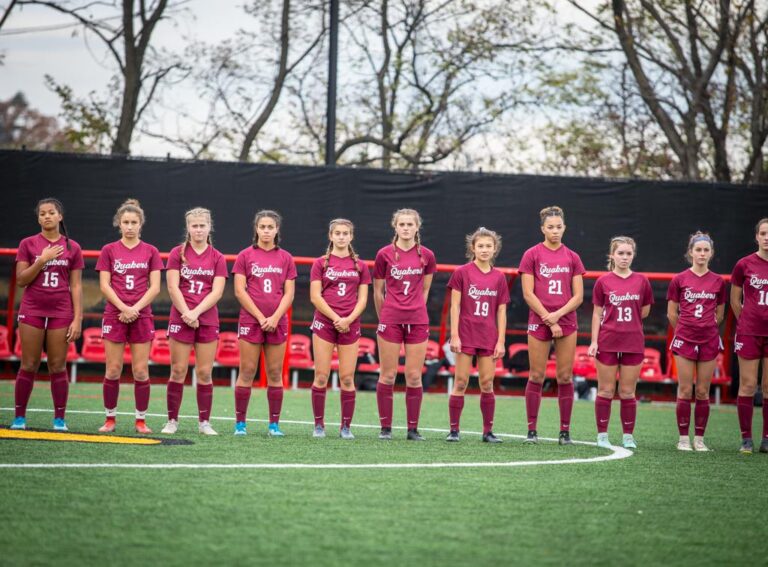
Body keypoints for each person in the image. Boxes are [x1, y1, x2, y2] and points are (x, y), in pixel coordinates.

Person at [11, 198, 84, 432]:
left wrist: (77, 318)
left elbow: (77, 286)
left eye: (51, 212)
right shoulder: (28, 244)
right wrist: (42, 260)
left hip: (61, 312)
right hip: (32, 310)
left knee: (57, 365)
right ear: (38, 218)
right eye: (42, 214)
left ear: (60, 216)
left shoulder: (72, 247)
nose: (46, 217)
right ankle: (20, 417)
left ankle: (59, 420)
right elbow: (21, 280)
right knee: (29, 364)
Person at [519, 206, 585, 445]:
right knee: (536, 375)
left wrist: (557, 316)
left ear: (564, 228)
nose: (555, 231)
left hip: (566, 321)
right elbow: (528, 293)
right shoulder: (532, 254)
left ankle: (565, 432)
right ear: (542, 229)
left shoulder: (573, 257)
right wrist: (548, 316)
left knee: (565, 376)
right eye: (550, 227)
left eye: (558, 227)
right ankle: (532, 431)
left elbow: (578, 297)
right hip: (539, 320)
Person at [96, 199, 163, 433]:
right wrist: (123, 308)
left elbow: (155, 287)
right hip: (115, 314)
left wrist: (134, 309)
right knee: (113, 369)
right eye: (126, 222)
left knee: (141, 370)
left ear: (141, 224)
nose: (130, 226)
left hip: (141, 316)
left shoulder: (151, 251)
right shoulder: (109, 250)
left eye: (134, 222)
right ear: (119, 224)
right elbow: (104, 285)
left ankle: (141, 420)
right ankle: (110, 419)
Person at [161, 207, 228, 436]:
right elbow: (172, 287)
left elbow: (217, 291)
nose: (198, 229)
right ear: (187, 227)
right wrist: (186, 313)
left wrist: (196, 313)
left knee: (204, 373)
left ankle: (204, 422)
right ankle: (172, 420)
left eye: (202, 225)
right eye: (194, 225)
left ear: (209, 227)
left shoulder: (217, 257)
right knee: (178, 370)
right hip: (180, 317)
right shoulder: (176, 253)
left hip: (206, 319)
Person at [373, 208, 436, 441]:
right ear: (395, 226)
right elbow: (378, 291)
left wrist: (416, 308)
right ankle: (386, 428)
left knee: (413, 376)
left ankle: (412, 429)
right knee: (387, 375)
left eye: (410, 224)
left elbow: (426, 289)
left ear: (417, 227)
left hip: (418, 320)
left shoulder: (427, 255)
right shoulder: (384, 254)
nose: (406, 228)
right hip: (390, 319)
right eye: (402, 224)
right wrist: (385, 316)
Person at [232, 210, 296, 436]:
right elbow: (240, 291)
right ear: (256, 229)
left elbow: (289, 294)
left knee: (275, 372)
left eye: (271, 227)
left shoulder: (286, 258)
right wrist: (260, 317)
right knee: (247, 370)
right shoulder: (245, 256)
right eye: (262, 227)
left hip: (277, 321)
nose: (266, 231)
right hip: (251, 320)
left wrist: (275, 317)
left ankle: (274, 425)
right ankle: (240, 424)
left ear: (277, 229)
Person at [588, 236, 653, 449]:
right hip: (608, 340)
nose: (624, 257)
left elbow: (644, 311)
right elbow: (597, 314)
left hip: (633, 341)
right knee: (605, 390)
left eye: (628, 253)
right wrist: (594, 341)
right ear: (612, 255)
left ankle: (627, 436)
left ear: (633, 255)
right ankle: (602, 435)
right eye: (620, 253)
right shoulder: (603, 281)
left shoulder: (641, 281)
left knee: (627, 392)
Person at [309, 218, 371, 440]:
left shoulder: (360, 266)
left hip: (350, 324)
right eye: (338, 233)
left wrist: (348, 320)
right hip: (326, 322)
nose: (342, 236)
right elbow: (315, 296)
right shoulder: (321, 263)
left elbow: (363, 300)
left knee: (347, 377)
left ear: (351, 236)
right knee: (321, 375)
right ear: (330, 236)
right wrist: (336, 318)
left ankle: (346, 427)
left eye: (346, 233)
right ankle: (319, 426)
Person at [446, 227, 509, 443]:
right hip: (465, 334)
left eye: (488, 246)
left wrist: (501, 340)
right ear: (473, 248)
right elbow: (455, 306)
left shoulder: (499, 277)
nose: (484, 250)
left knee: (487, 383)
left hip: (488, 336)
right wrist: (454, 335)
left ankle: (487, 431)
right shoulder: (462, 272)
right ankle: (454, 430)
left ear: (495, 249)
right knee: (461, 381)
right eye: (480, 246)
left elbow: (501, 310)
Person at [667, 232, 726, 452]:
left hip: (709, 339)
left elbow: (720, 315)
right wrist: (686, 329)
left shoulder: (718, 281)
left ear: (711, 253)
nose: (702, 254)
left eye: (706, 250)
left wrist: (706, 328)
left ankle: (699, 439)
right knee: (684, 389)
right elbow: (672, 313)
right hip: (685, 339)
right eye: (698, 250)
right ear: (690, 252)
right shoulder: (679, 279)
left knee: (702, 391)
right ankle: (683, 438)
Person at [730, 217, 768, 454]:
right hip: (749, 332)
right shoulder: (744, 264)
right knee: (747, 384)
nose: (767, 237)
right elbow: (735, 300)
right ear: (756, 236)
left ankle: (766, 438)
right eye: (763, 233)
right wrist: (746, 321)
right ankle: (746, 439)